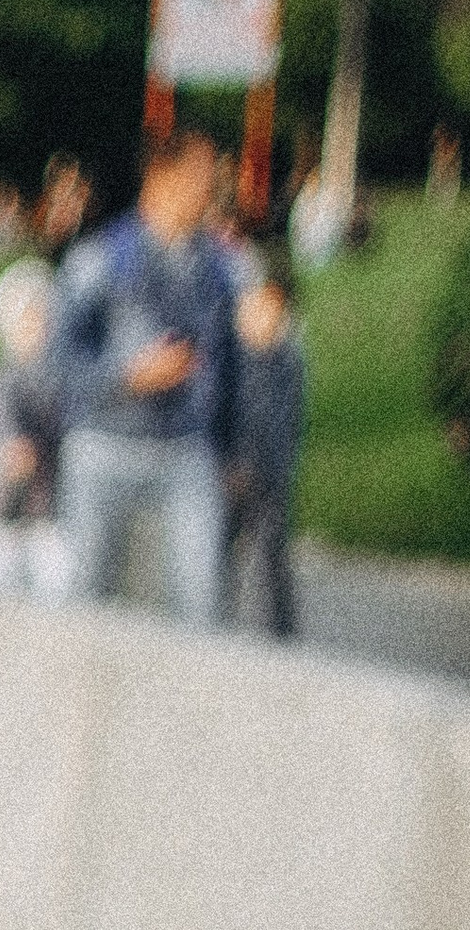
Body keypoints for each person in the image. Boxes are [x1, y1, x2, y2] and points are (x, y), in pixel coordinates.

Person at [50, 128, 238, 628]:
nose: (214, 185)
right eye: (202, 174)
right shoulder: (102, 258)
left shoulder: (219, 268)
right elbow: (57, 361)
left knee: (202, 603)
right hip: (103, 445)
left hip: (185, 450)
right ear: (161, 177)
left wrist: (234, 450)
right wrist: (127, 377)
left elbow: (233, 366)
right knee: (88, 599)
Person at [0, 259, 70, 600]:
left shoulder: (61, 376)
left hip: (48, 504)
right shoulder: (0, 376)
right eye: (27, 320)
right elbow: (2, 420)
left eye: (43, 320)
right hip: (2, 503)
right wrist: (15, 444)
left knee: (55, 579)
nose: (37, 330)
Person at [229, 251, 307, 641]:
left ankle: (281, 634)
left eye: (272, 311)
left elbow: (282, 425)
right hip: (231, 469)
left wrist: (265, 467)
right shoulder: (235, 356)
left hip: (268, 471)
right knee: (218, 549)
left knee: (270, 555)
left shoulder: (286, 358)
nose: (262, 319)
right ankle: (211, 625)